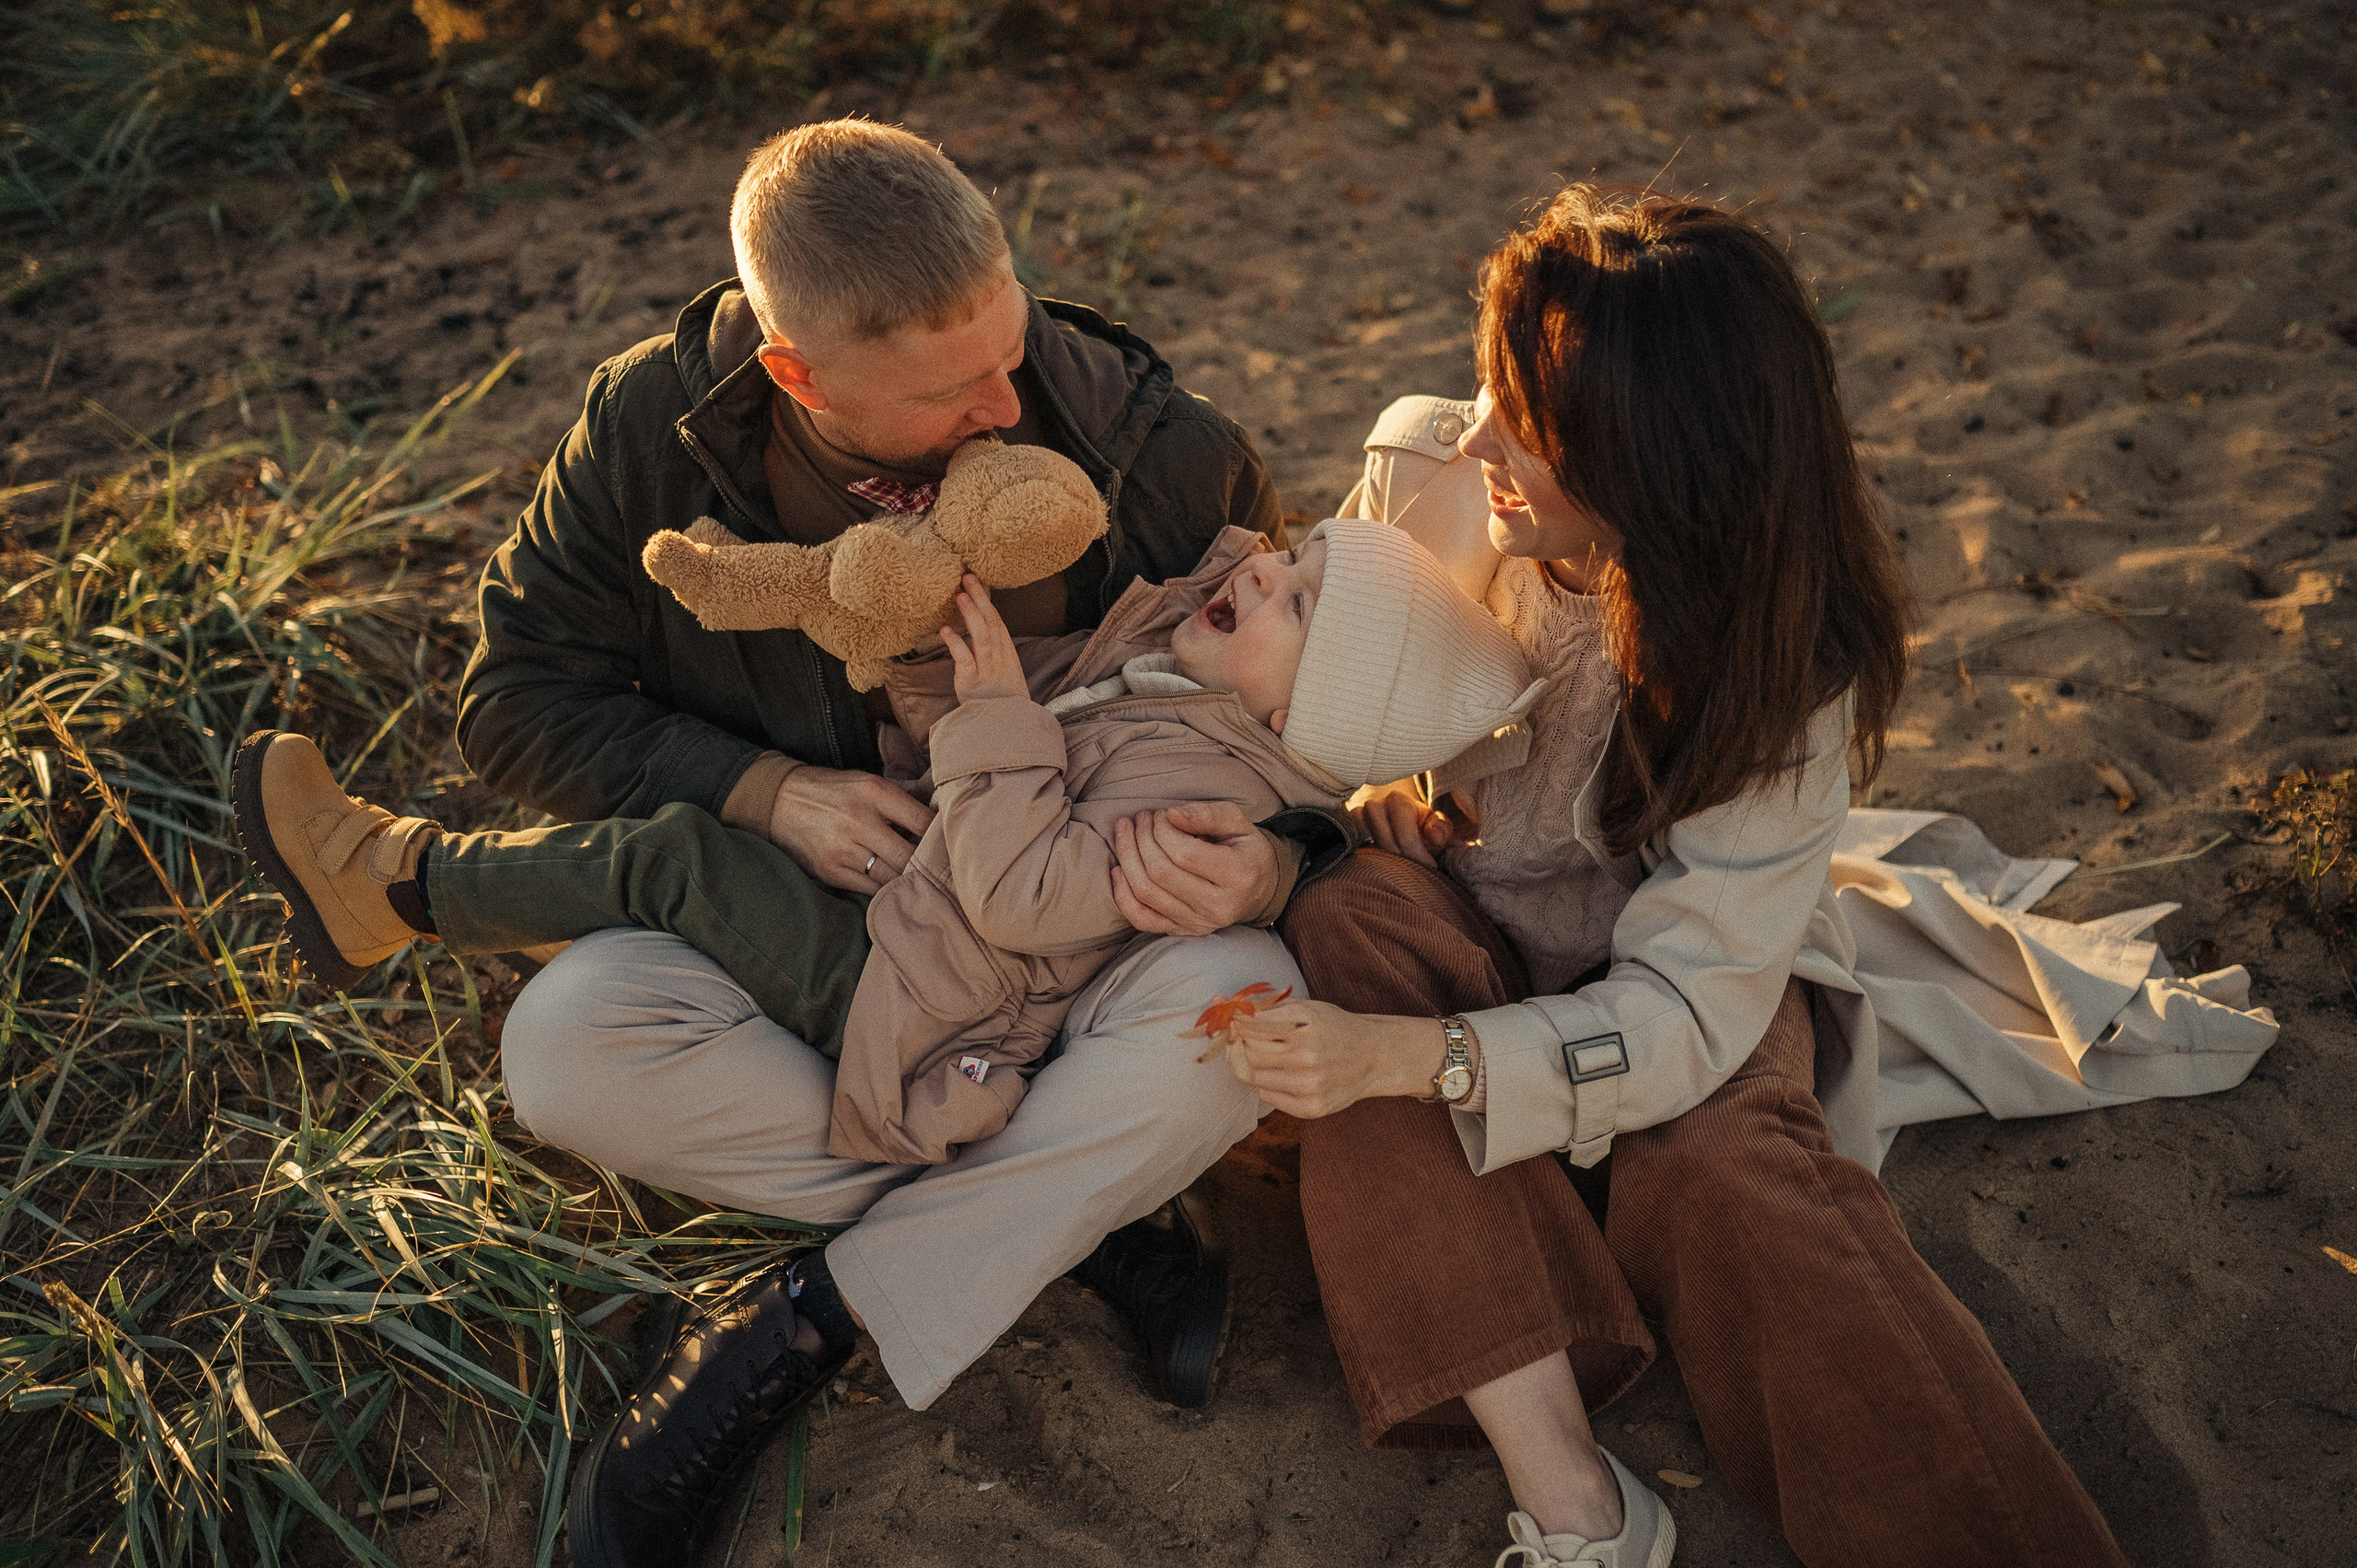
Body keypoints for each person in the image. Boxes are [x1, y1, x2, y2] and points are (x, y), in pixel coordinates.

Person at [435, 117, 1351, 1568]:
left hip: (1081, 953)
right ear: (795, 372)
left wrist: (1285, 859)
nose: (1007, 402)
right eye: (948, 391)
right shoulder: (645, 438)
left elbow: (1317, 725)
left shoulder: (1164, 453)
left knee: (1244, 1007)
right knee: (567, 1044)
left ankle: (787, 1335)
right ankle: (1080, 1218)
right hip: (841, 958)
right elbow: (510, 701)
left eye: (1011, 342)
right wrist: (756, 792)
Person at [1196, 187, 2137, 1568]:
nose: (1485, 438)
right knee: (1340, 929)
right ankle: (1579, 1503)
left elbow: (1690, 1015)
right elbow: (1303, 719)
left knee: (1734, 1172)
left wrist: (1416, 1062)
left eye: (1539, 424)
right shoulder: (1430, 470)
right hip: (1455, 927)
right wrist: (1358, 802)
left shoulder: (1783, 669)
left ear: (1666, 464)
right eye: (1493, 388)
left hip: (1673, 984)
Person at [234, 525, 1537, 1166]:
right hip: (910, 920)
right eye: (1295, 554)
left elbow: (1025, 895)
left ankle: (392, 882)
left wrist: (995, 716)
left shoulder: (1209, 796)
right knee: (685, 868)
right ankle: (418, 890)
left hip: (914, 989)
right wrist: (927, 652)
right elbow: (1006, 722)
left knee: (679, 858)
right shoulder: (1173, 680)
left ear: (1306, 716)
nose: (1260, 571)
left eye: (1296, 603)